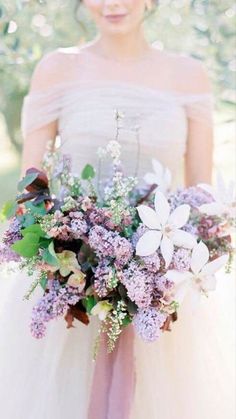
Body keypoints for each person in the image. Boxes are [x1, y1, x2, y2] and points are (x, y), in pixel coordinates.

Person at [0, 1, 235, 418]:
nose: (112, 4)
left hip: (162, 285)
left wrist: (161, 264)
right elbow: (30, 188)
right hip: (70, 286)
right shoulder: (57, 69)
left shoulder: (188, 76)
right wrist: (69, 249)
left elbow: (200, 198)